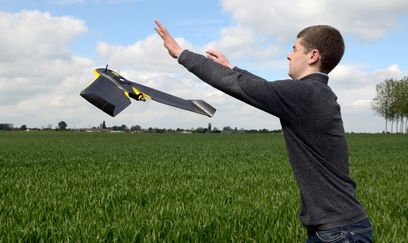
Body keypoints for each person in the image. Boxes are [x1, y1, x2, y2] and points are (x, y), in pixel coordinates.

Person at [154, 20, 372, 242]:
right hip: (341, 229)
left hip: (339, 234)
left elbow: (242, 87)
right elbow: (264, 89)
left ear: (313, 56)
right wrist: (231, 69)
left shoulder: (305, 94)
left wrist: (181, 54)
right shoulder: (314, 93)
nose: (289, 55)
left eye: (294, 49)